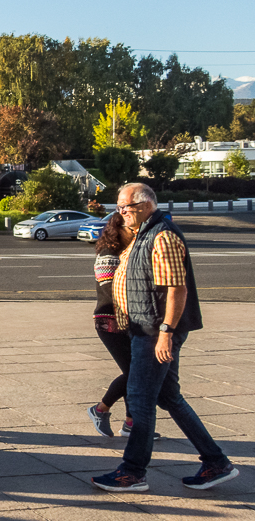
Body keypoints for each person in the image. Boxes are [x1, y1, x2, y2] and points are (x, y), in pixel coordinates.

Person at [92, 183, 240, 493]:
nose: (120, 213)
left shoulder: (163, 237)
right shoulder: (143, 235)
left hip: (154, 331)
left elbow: (177, 289)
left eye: (125, 208)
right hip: (144, 328)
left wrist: (166, 333)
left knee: (142, 400)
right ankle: (216, 463)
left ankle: (132, 473)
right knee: (169, 397)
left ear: (145, 206)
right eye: (119, 207)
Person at [86, 213, 141, 438]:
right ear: (119, 228)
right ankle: (100, 409)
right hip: (109, 321)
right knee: (133, 371)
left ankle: (130, 422)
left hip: (128, 320)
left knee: (132, 370)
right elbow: (111, 289)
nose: (135, 232)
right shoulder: (108, 252)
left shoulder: (126, 251)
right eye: (131, 229)